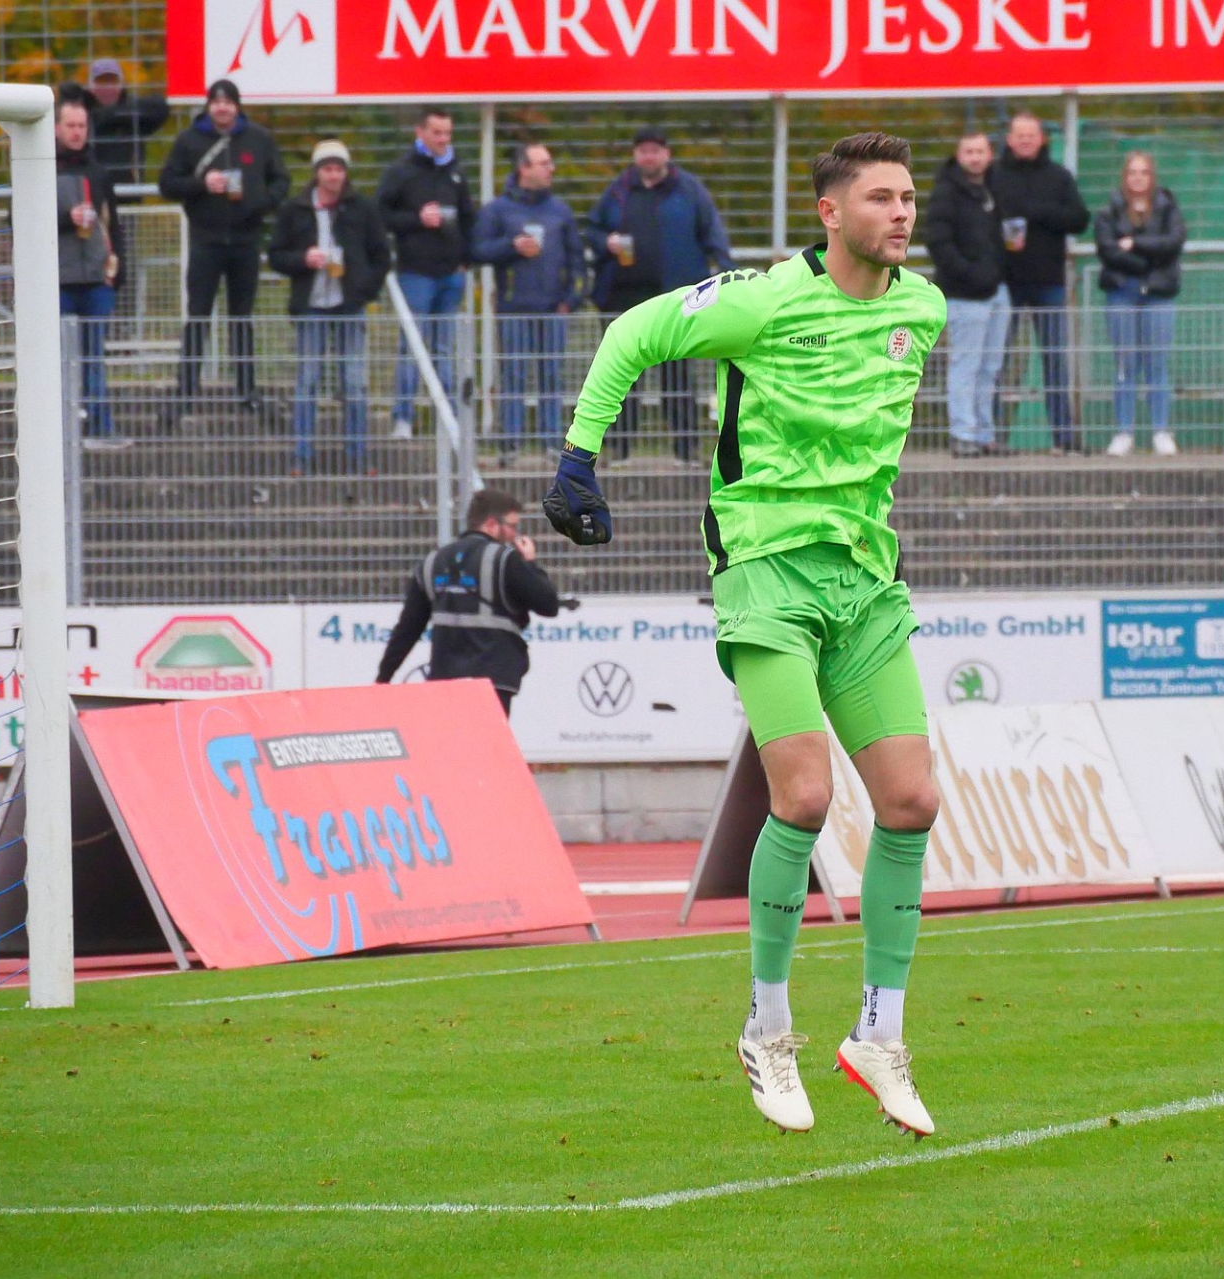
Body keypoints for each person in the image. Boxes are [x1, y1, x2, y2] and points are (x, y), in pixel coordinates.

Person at [547, 132, 946, 1138]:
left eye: (908, 197)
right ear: (830, 212)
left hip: (864, 577)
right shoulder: (763, 300)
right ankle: (767, 1027)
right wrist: (579, 458)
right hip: (763, 565)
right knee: (803, 796)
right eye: (881, 198)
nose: (902, 212)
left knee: (911, 800)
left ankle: (878, 1035)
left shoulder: (923, 309)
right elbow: (633, 331)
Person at [585, 127, 735, 463]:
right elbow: (592, 229)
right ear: (635, 155)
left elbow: (713, 234)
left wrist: (728, 275)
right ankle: (619, 449)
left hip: (676, 301)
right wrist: (605, 242)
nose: (649, 156)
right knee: (623, 376)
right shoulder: (619, 190)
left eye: (655, 150)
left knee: (677, 376)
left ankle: (685, 449)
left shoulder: (689, 191)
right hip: (623, 299)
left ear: (666, 154)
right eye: (643, 150)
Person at [156, 79, 289, 417]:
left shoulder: (258, 139)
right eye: (216, 102)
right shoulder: (190, 140)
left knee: (241, 318)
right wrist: (202, 184)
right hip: (206, 240)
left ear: (237, 106)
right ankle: (186, 390)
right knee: (198, 315)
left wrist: (258, 203)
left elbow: (281, 180)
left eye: (228, 102)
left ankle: (246, 390)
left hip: (245, 240)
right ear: (208, 106)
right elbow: (168, 183)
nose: (222, 108)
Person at [375, 489, 561, 715]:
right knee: (486, 738)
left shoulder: (432, 562)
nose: (514, 534)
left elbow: (407, 629)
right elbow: (548, 605)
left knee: (451, 738)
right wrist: (530, 562)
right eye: (512, 526)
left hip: (445, 681)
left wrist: (383, 678)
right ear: (491, 524)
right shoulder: (505, 560)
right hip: (493, 681)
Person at [267, 140, 390, 476]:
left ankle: (358, 455)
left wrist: (363, 289)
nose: (334, 175)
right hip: (311, 305)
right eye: (328, 169)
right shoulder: (295, 209)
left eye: (339, 169)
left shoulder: (362, 209)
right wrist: (302, 259)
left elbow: (381, 256)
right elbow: (276, 254)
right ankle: (302, 455)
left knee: (354, 382)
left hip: (349, 304)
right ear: (317, 172)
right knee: (307, 381)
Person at [473, 142, 584, 460]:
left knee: (552, 375)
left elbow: (577, 260)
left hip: (553, 310)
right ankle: (510, 444)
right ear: (524, 168)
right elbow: (478, 250)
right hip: (513, 308)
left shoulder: (560, 211)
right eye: (543, 163)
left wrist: (571, 300)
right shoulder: (498, 210)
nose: (551, 169)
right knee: (513, 375)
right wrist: (512, 246)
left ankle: (551, 442)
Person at [993, 111, 1089, 454]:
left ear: (1041, 139)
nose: (1025, 140)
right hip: (1004, 283)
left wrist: (1038, 212)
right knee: (996, 361)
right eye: (1019, 135)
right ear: (1009, 139)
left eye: (1030, 135)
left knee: (1055, 361)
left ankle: (1063, 438)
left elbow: (1079, 219)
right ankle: (990, 437)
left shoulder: (1059, 177)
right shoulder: (994, 175)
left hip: (1049, 282)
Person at [378, 106, 476, 439]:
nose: (443, 139)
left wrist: (465, 259)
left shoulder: (456, 171)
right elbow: (381, 215)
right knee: (412, 347)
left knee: (444, 349)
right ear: (420, 132)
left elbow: (468, 217)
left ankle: (447, 421)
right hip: (415, 273)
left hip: (451, 274)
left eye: (447, 133)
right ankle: (403, 418)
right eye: (437, 133)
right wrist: (416, 219)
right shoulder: (401, 171)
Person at [924, 130, 1010, 459]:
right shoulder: (947, 192)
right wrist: (970, 273)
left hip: (998, 290)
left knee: (991, 367)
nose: (975, 157)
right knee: (966, 365)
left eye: (980, 151)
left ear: (990, 155)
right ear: (959, 156)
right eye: (968, 151)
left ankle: (985, 434)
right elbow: (938, 242)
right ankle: (963, 434)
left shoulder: (995, 189)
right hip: (964, 294)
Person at [1094, 151, 1187, 458]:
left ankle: (1161, 431)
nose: (1138, 178)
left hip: (1159, 292)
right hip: (1122, 291)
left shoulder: (1168, 208)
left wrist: (1134, 244)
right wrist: (1148, 260)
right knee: (1125, 364)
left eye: (1144, 172)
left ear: (1152, 176)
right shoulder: (1109, 211)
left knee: (1156, 363)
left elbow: (1173, 244)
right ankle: (1124, 432)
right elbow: (1108, 250)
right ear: (1125, 176)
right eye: (1132, 172)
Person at [54, 96, 121, 445]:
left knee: (95, 357)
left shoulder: (99, 173)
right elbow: (19, 218)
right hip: (57, 281)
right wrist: (68, 219)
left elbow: (113, 224)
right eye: (71, 125)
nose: (77, 132)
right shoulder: (39, 168)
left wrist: (117, 270)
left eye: (82, 125)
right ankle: (59, 431)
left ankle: (100, 427)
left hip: (96, 280)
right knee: (58, 360)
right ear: (56, 128)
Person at [82, 59, 168, 302]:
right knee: (90, 261)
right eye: (101, 82)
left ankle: (125, 318)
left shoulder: (133, 114)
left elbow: (161, 108)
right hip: (90, 204)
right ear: (91, 86)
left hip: (125, 205)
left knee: (124, 264)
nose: (107, 88)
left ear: (121, 85)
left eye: (112, 82)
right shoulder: (83, 116)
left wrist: (116, 115)